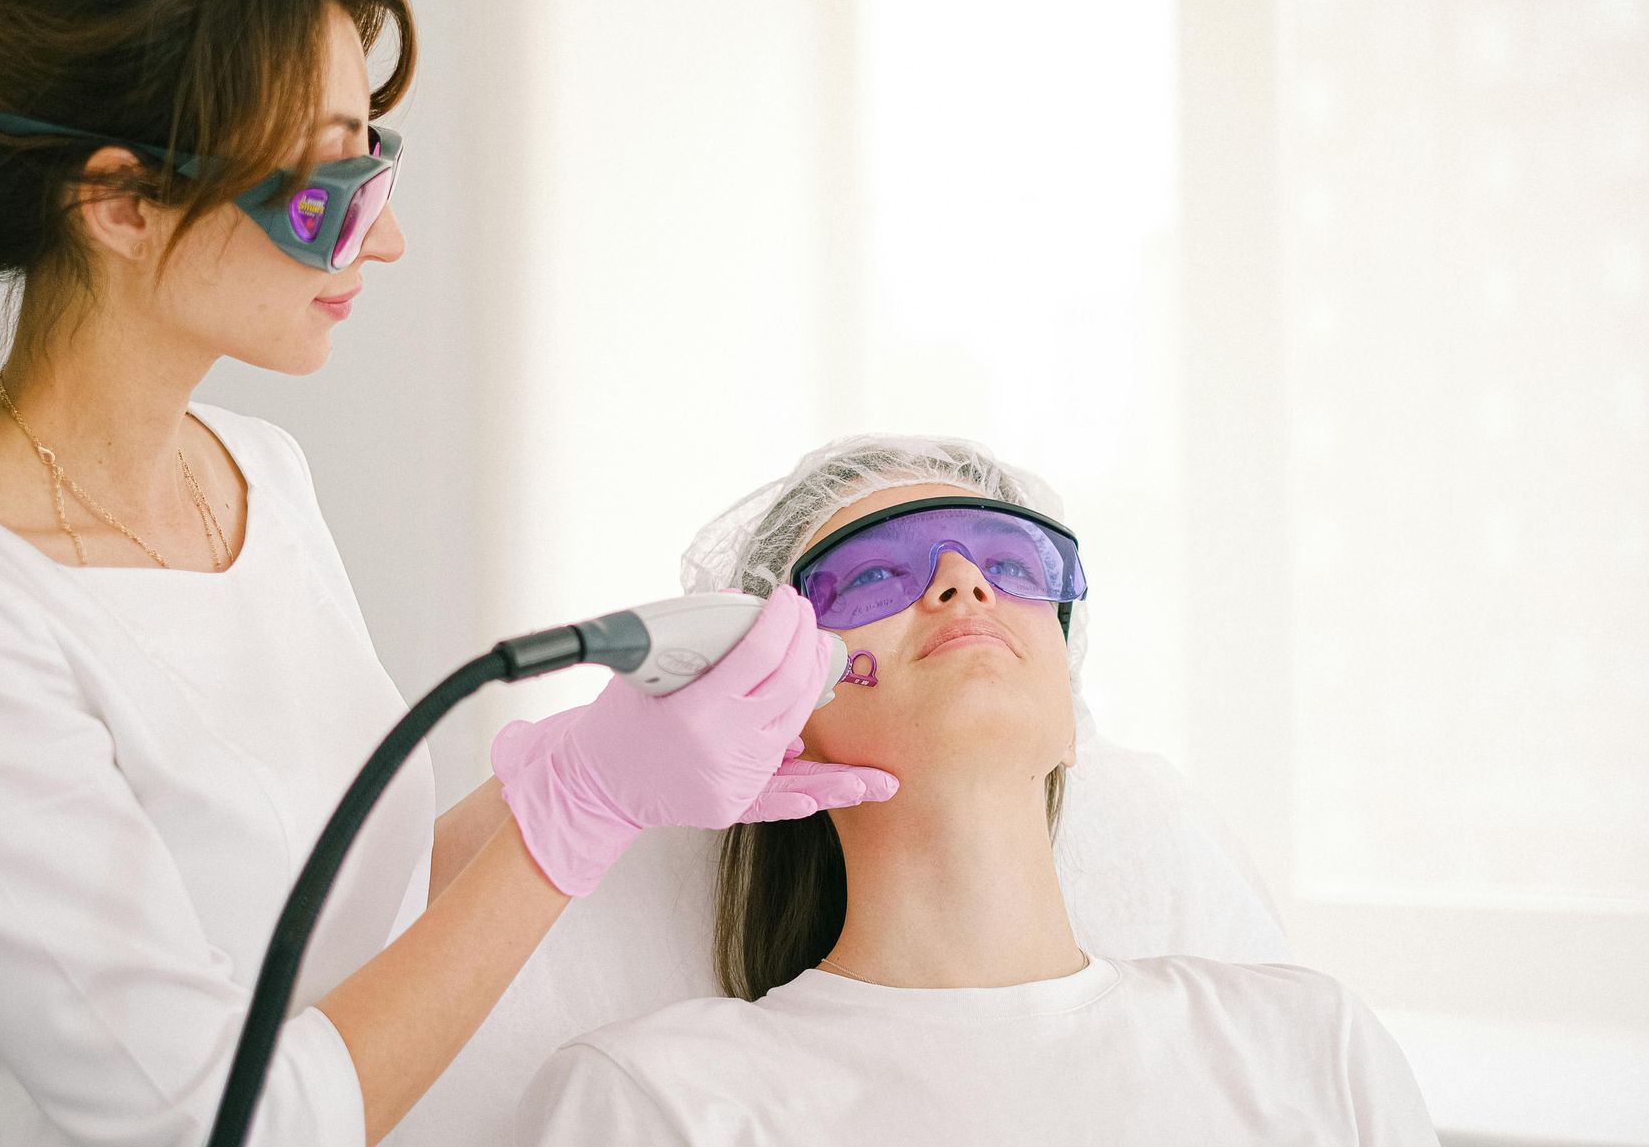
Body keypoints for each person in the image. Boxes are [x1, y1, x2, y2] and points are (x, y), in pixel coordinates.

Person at [0, 0, 896, 1144]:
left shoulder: (253, 474)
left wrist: (598, 755)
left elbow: (357, 911)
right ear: (121, 199)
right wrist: (582, 810)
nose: (387, 236)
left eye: (377, 159)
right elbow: (218, 1120)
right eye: (330, 182)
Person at [516, 434, 1440, 1145]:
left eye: (1011, 566)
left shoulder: (1309, 1044)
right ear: (775, 716)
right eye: (877, 572)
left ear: (1068, 708)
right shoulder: (664, 1103)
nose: (963, 583)